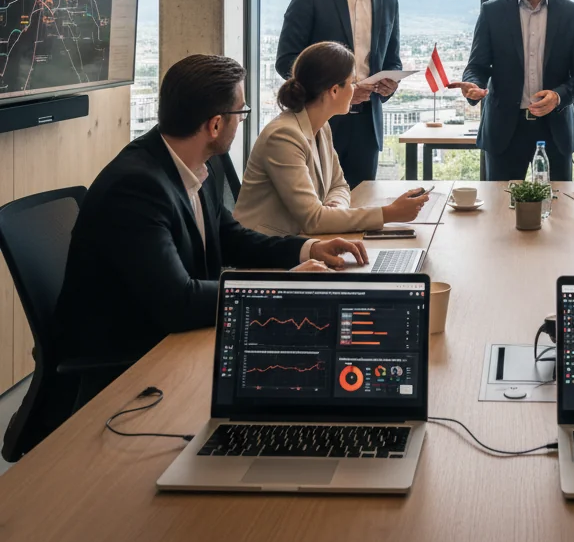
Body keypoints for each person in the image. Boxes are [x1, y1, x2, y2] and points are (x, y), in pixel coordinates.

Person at [56, 55, 368, 399]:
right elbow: (179, 301)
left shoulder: (196, 163)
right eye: (241, 113)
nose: (243, 121)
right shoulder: (135, 188)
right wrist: (285, 285)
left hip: (183, 337)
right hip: (134, 361)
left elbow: (230, 236)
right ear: (216, 125)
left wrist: (306, 249)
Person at [235, 41, 430, 235]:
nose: (355, 88)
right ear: (334, 90)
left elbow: (339, 185)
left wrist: (334, 209)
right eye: (352, 82)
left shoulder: (321, 126)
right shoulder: (283, 137)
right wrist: (389, 213)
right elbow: (314, 219)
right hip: (266, 254)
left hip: (302, 242)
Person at [452, 0, 574, 181]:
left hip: (554, 129)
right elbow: (477, 65)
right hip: (504, 130)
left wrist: (558, 96)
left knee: (559, 211)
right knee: (499, 212)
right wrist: (473, 85)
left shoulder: (571, 14)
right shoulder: (492, 12)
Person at [275, 0, 402, 188]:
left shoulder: (389, 3)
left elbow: (392, 60)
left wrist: (390, 85)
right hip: (319, 121)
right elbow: (287, 60)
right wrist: (337, 91)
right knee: (316, 212)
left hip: (367, 128)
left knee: (358, 209)